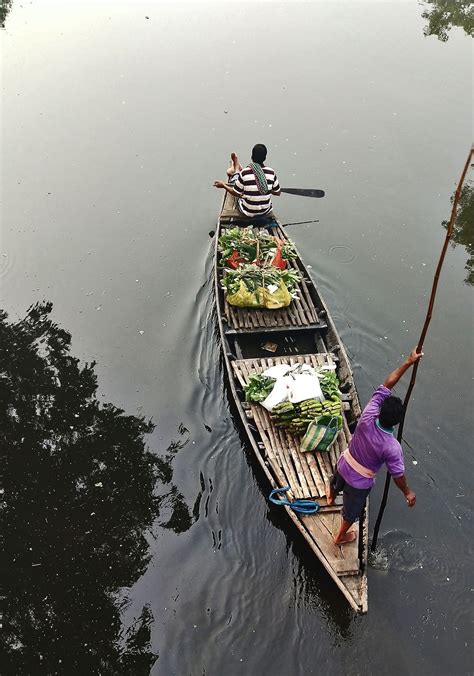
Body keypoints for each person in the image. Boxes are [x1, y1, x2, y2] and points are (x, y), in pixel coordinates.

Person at [327, 347, 423, 545]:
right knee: (351, 512)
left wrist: (408, 361)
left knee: (336, 482)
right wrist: (407, 492)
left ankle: (331, 496)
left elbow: (387, 383)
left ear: (380, 411)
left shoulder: (369, 414)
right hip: (358, 482)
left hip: (344, 464)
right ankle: (340, 536)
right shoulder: (391, 446)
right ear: (396, 422)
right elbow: (398, 476)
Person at [213, 144, 281, 220]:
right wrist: (265, 187)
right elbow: (277, 193)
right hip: (265, 211)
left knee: (236, 182)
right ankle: (236, 168)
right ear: (265, 157)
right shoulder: (271, 172)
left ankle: (236, 169)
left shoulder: (245, 172)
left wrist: (223, 185)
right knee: (243, 181)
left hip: (247, 211)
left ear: (252, 156)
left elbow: (236, 193)